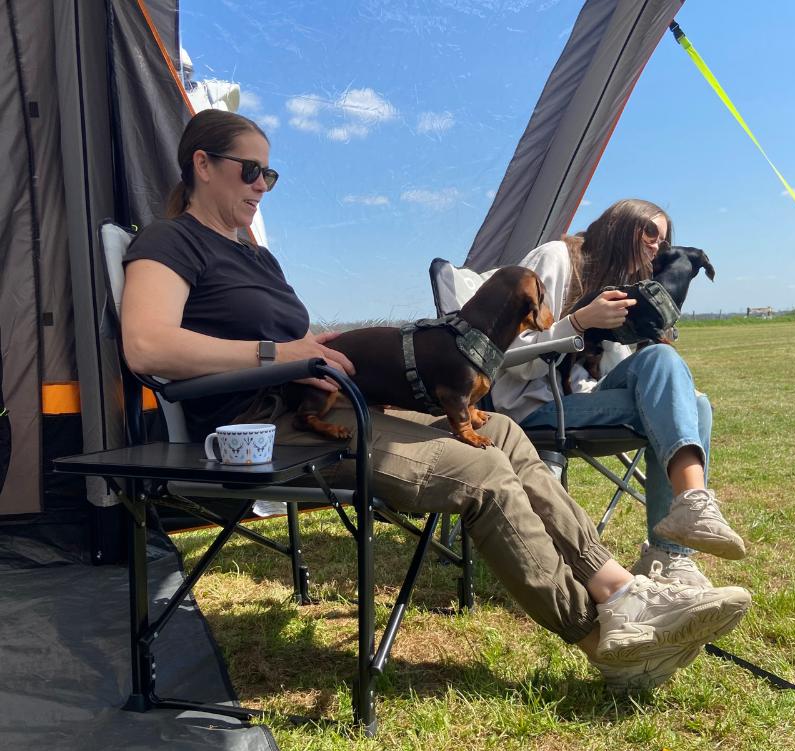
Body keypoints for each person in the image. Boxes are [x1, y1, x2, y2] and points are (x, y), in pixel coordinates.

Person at [120, 110, 751, 692]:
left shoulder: (254, 255)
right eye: (250, 170)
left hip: (328, 403)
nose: (262, 185)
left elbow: (285, 339)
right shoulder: (169, 243)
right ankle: (601, 638)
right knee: (479, 471)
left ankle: (619, 591)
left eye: (271, 174)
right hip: (268, 431)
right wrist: (276, 355)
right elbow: (148, 347)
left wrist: (316, 344)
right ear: (201, 164)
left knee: (502, 433)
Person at [491, 199, 745, 588]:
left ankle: (672, 551)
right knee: (687, 404)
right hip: (532, 408)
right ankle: (677, 539)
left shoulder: (624, 287)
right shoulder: (557, 259)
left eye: (664, 238)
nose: (657, 245)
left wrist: (645, 331)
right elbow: (502, 355)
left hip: (584, 400)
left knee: (693, 399)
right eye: (649, 232)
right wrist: (577, 322)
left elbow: (623, 370)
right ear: (619, 226)